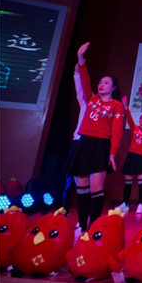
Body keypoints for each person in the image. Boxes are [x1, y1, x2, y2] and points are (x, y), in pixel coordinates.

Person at [66, 42, 124, 231]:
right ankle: (82, 226)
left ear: (113, 88)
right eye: (100, 82)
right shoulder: (91, 99)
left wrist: (112, 154)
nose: (101, 85)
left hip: (101, 146)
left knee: (96, 188)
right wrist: (80, 58)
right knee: (81, 187)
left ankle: (93, 227)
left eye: (106, 83)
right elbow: (84, 80)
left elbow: (117, 131)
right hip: (83, 143)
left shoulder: (117, 106)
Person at [118, 97, 142, 214]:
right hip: (131, 156)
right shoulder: (135, 128)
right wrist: (125, 105)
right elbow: (129, 117)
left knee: (141, 182)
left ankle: (141, 204)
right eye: (141, 118)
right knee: (128, 181)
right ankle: (125, 204)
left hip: (141, 158)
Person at [61, 64, 87, 215]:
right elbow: (79, 92)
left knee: (87, 182)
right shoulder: (85, 104)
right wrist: (77, 73)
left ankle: (84, 216)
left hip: (91, 145)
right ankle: (64, 211)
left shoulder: (105, 108)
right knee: (70, 179)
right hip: (78, 142)